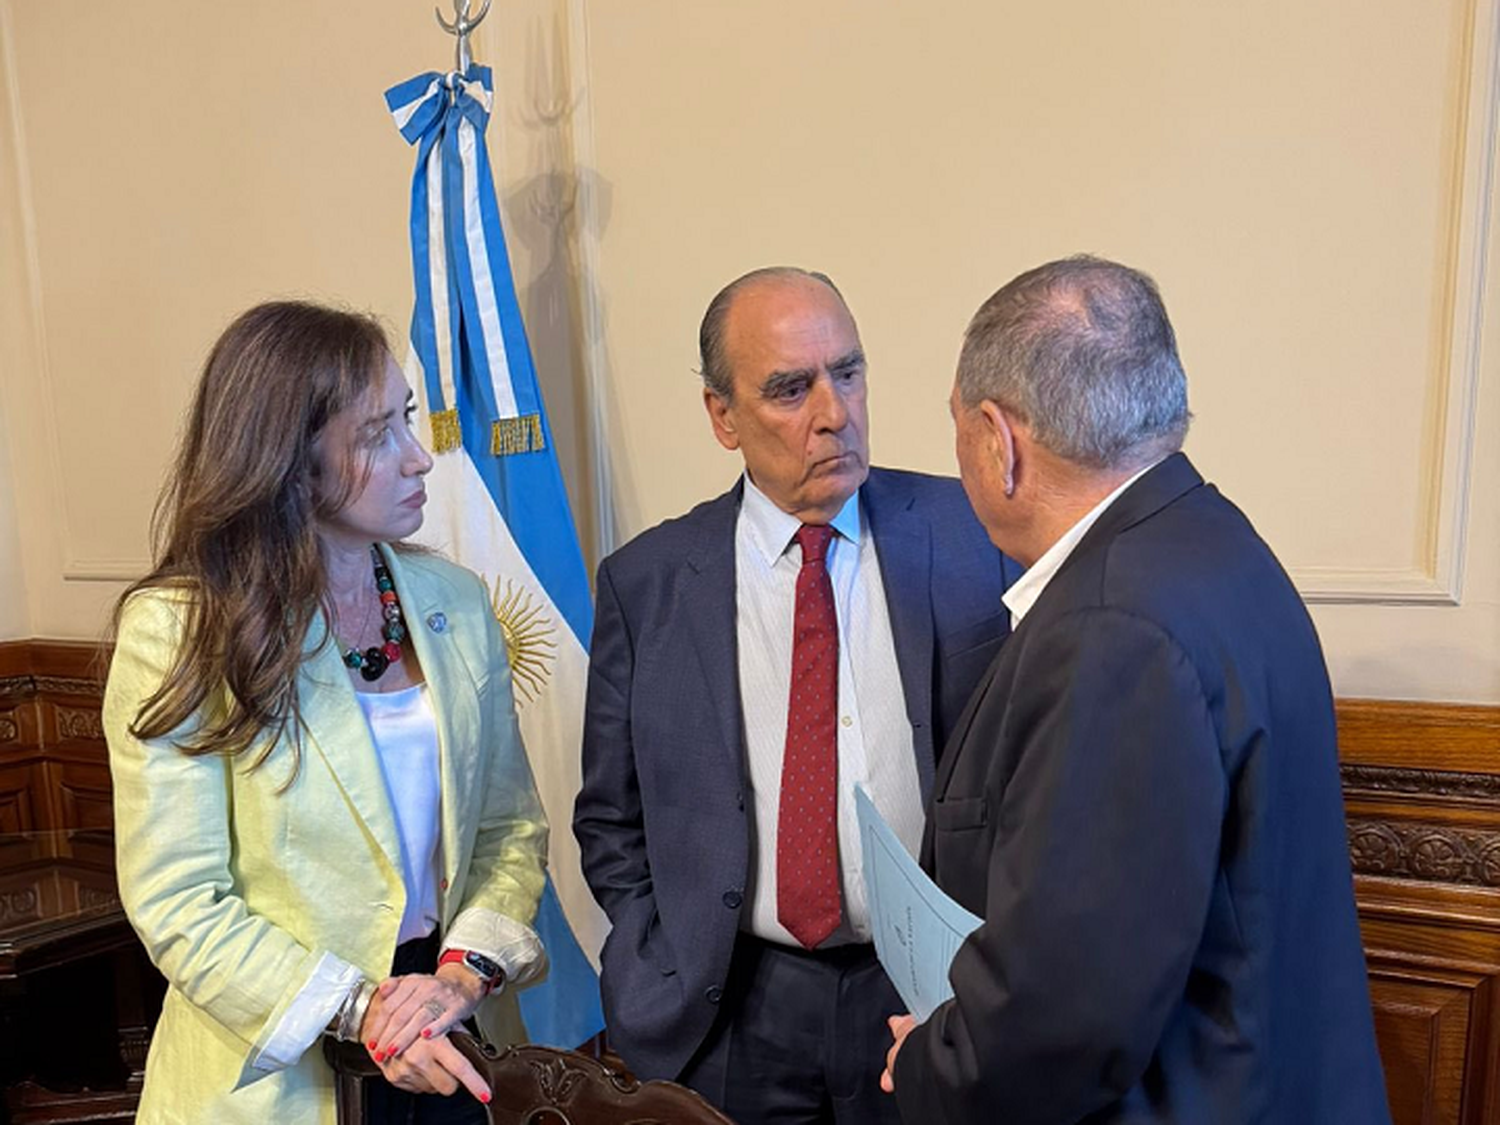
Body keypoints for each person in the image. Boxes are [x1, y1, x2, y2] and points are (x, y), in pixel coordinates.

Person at [881, 256, 1391, 1123]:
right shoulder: (1213, 540)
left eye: (958, 429)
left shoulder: (1107, 629)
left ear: (1000, 442)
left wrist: (931, 1063)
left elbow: (1067, 1014)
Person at [574, 267, 1017, 1125]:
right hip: (733, 1007)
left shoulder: (973, 534)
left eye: (847, 371)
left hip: (928, 993)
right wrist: (653, 954)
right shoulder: (650, 582)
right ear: (722, 416)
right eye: (790, 388)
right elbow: (611, 816)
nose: (833, 411)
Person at [103, 301, 550, 1123]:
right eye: (378, 434)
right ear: (288, 461)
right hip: (277, 1071)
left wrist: (459, 974)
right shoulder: (179, 628)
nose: (420, 459)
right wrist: (362, 1010)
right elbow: (180, 899)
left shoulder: (452, 600)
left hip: (451, 1036)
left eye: (408, 421)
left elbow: (507, 830)